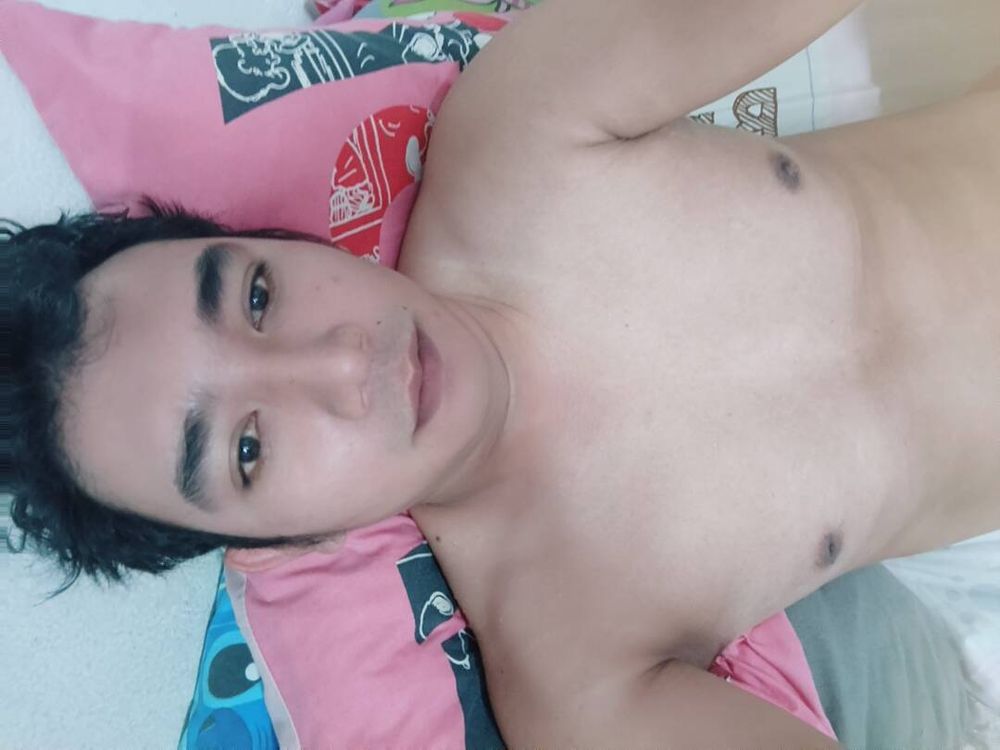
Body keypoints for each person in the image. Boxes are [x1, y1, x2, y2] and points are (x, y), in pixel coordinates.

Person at [6, 0, 1000, 745]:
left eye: (258, 295)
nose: (343, 362)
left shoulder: (519, 125)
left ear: (283, 240)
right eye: (250, 449)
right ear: (274, 540)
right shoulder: (574, 671)